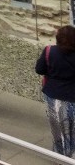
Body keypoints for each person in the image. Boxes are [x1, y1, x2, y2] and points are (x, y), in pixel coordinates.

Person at [36, 25, 75, 157]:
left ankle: (60, 155)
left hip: (54, 97)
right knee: (71, 129)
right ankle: (68, 153)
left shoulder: (49, 51)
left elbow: (39, 69)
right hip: (72, 97)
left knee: (58, 129)